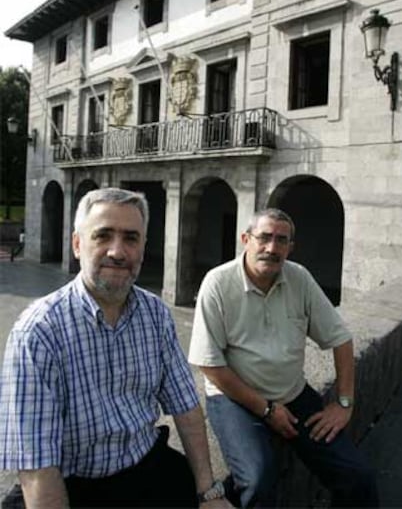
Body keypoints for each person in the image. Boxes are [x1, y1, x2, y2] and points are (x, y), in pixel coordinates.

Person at [0, 187, 232, 509]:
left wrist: (209, 493)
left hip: (144, 466)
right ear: (78, 244)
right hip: (72, 484)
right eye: (103, 236)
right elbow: (38, 464)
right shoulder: (38, 332)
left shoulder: (156, 314)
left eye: (131, 238)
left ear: (143, 247)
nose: (117, 251)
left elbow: (187, 409)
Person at [189, 208, 379, 508]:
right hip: (233, 399)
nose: (272, 248)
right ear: (245, 239)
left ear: (290, 247)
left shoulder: (299, 277)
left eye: (281, 240)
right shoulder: (218, 282)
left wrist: (344, 403)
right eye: (264, 237)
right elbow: (209, 364)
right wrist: (266, 410)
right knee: (258, 479)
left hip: (293, 395)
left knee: (358, 475)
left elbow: (340, 339)